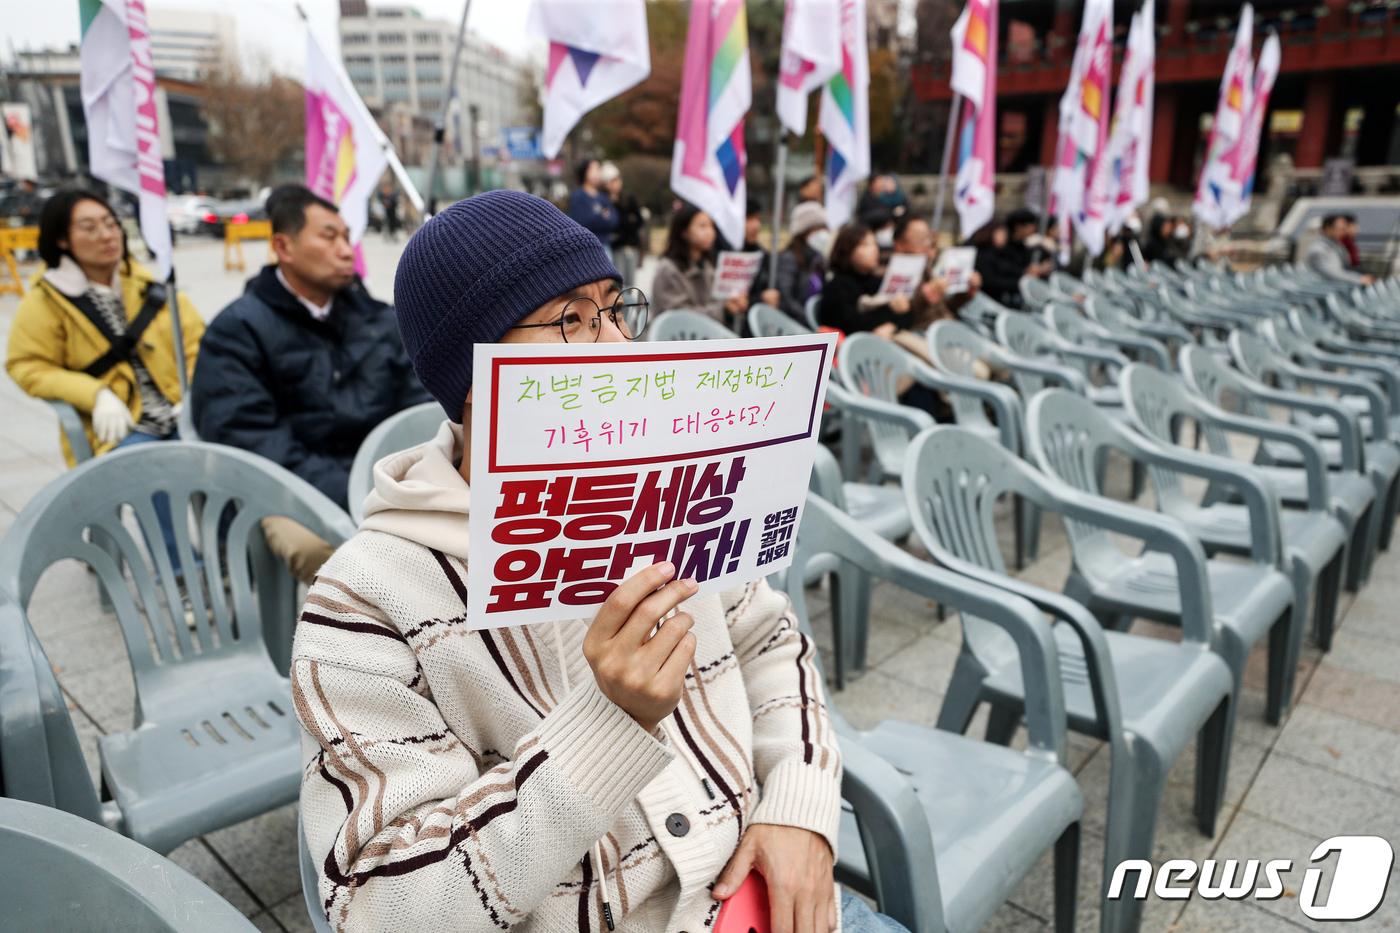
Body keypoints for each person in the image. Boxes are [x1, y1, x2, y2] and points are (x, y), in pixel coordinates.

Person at [295, 188, 909, 933]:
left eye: (616, 309)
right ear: (473, 373)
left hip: (756, 891)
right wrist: (605, 723)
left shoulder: (676, 490)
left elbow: (771, 643)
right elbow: (377, 905)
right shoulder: (366, 596)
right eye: (571, 322)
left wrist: (800, 809)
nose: (619, 348)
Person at [190, 184, 432, 583]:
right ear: (283, 247)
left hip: (386, 479)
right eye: (328, 236)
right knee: (323, 551)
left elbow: (419, 404)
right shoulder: (238, 329)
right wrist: (357, 492)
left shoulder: (380, 320)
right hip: (292, 489)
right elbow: (247, 436)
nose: (345, 249)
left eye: (347, 237)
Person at [6, 188, 203, 569]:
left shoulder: (151, 284)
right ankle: (181, 573)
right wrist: (95, 394)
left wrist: (195, 396)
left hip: (180, 409)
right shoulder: (46, 300)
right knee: (149, 467)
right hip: (119, 425)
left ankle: (235, 554)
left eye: (111, 224)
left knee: (233, 442)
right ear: (62, 238)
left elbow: (197, 345)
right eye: (89, 227)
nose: (107, 235)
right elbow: (25, 364)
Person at [651, 203, 749, 326]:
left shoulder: (709, 265)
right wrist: (723, 310)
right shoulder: (668, 269)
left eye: (712, 226)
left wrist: (733, 303)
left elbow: (717, 302)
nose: (710, 232)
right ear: (684, 231)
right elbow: (678, 316)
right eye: (702, 226)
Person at [818, 223, 911, 337]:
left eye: (875, 244)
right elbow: (850, 326)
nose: (874, 250)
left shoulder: (875, 282)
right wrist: (890, 309)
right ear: (847, 250)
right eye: (865, 244)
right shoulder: (838, 286)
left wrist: (892, 326)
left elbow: (908, 314)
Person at [750, 201, 828, 324]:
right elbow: (785, 298)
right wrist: (809, 323)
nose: (824, 234)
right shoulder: (789, 258)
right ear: (804, 231)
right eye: (819, 228)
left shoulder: (817, 260)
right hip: (797, 327)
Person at [602, 161, 645, 287]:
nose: (617, 184)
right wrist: (628, 220)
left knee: (631, 284)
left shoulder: (628, 198)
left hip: (631, 246)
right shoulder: (604, 201)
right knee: (619, 284)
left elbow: (638, 221)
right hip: (616, 247)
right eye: (613, 181)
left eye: (618, 180)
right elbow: (612, 224)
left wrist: (626, 223)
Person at [567, 158, 618, 260]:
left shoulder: (603, 197)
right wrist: (602, 216)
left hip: (605, 246)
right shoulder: (578, 196)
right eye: (592, 169)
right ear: (584, 172)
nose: (596, 174)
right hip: (585, 247)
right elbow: (579, 221)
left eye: (598, 169)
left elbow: (614, 220)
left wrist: (596, 217)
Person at [1307, 213, 1375, 285]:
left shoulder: (1335, 246)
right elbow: (1331, 274)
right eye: (1340, 229)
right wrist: (1358, 279)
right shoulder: (1320, 250)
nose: (1343, 232)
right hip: (1327, 290)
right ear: (1327, 229)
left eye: (1344, 229)